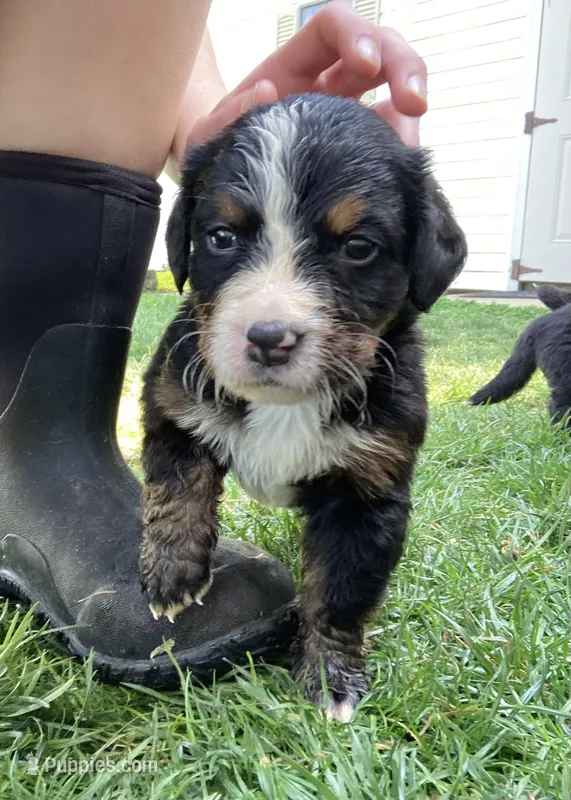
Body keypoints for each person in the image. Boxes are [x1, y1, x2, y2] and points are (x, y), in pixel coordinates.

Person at [0, 1, 427, 685]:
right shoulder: (190, 371)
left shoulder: (386, 399)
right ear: (188, 247)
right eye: (223, 239)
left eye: (357, 246)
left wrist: (205, 114)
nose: (273, 318)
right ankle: (26, 463)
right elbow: (172, 425)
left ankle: (332, 643)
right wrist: (176, 520)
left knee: (361, 517)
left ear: (421, 258)